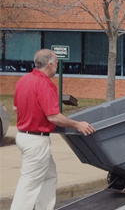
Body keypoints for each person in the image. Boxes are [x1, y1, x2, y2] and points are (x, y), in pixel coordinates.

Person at [11, 49, 95, 210]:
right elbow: (54, 117)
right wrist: (78, 125)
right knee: (28, 185)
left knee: (49, 176)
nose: (57, 66)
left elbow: (15, 107)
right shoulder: (45, 85)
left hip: (24, 136)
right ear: (49, 65)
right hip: (36, 141)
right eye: (56, 63)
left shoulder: (24, 80)